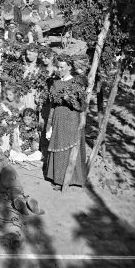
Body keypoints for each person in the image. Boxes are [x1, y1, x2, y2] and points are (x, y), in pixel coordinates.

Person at [44, 56, 87, 191]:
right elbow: (52, 106)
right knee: (58, 146)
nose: (59, 69)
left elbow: (82, 107)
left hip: (71, 119)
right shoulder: (55, 84)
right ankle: (58, 178)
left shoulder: (76, 83)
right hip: (58, 118)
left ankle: (70, 179)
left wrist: (70, 100)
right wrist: (48, 126)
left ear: (70, 67)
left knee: (69, 148)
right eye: (58, 67)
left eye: (62, 67)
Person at [21, 44, 40, 110]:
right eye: (27, 54)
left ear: (36, 54)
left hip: (33, 94)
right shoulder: (25, 66)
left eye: (30, 54)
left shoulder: (39, 67)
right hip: (23, 93)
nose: (27, 56)